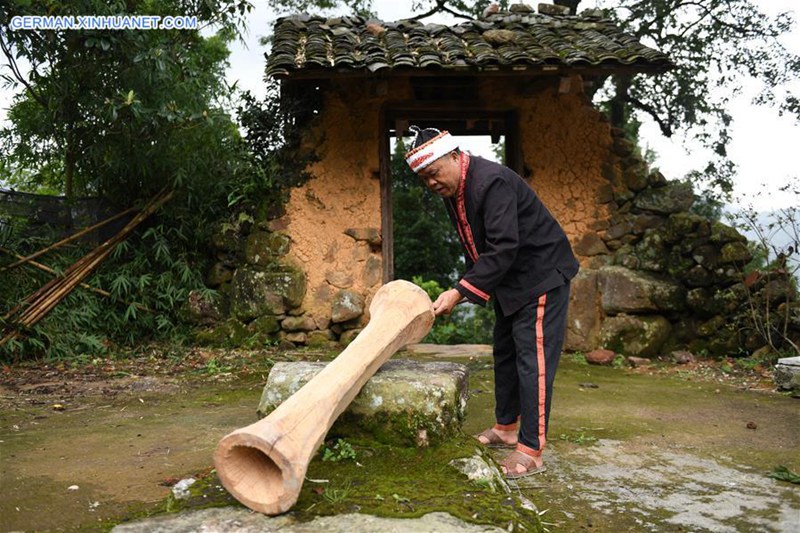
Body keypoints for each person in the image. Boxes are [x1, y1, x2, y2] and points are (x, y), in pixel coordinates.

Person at [404, 126, 579, 479]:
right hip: (510, 281)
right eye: (424, 179)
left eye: (434, 173)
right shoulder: (456, 191)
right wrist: (467, 286)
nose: (431, 184)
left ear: (454, 156)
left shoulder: (490, 182)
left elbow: (502, 247)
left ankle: (531, 448)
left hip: (540, 274)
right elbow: (476, 245)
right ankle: (505, 428)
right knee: (505, 353)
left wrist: (460, 290)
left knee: (534, 362)